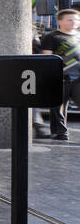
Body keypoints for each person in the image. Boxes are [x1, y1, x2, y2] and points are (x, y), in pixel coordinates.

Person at [39, 8, 80, 140]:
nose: (74, 22)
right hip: (60, 78)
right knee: (57, 108)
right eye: (69, 20)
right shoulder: (52, 37)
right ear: (59, 21)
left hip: (78, 78)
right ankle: (61, 133)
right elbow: (47, 58)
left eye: (76, 20)